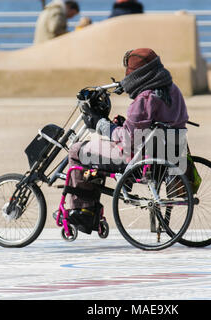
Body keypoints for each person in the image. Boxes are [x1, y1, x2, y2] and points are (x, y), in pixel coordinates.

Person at [61, 48, 189, 234]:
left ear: (138, 74)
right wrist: (122, 125)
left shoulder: (145, 98)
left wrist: (103, 125)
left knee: (77, 150)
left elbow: (127, 141)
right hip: (170, 154)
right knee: (97, 148)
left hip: (138, 159)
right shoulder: (172, 90)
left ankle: (83, 211)